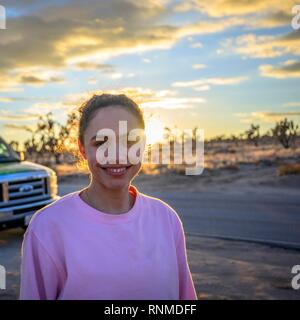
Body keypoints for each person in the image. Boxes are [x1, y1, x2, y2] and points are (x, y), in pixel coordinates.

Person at [19, 93, 197, 300]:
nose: (116, 154)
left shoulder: (166, 219)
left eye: (130, 140)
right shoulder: (48, 226)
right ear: (82, 148)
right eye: (101, 142)